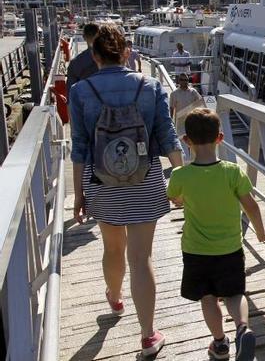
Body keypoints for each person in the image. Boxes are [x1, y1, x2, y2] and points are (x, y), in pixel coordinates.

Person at [70, 24, 183, 357]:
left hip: (101, 182)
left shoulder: (80, 91)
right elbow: (168, 137)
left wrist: (79, 194)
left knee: (112, 248)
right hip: (145, 181)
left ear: (94, 55)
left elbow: (79, 148)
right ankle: (149, 336)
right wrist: (181, 177)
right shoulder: (151, 86)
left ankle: (115, 298)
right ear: (127, 52)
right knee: (141, 257)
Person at [167, 108, 265, 361]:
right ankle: (242, 328)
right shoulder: (232, 171)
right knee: (235, 293)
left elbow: (176, 198)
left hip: (196, 250)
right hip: (230, 247)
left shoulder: (180, 175)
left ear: (187, 141)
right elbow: (251, 205)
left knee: (208, 297)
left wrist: (182, 199)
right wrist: (260, 233)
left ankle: (220, 343)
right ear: (220, 138)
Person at [67, 22, 100, 87]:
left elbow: (71, 92)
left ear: (84, 37)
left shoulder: (75, 63)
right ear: (100, 36)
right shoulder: (111, 59)